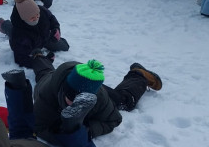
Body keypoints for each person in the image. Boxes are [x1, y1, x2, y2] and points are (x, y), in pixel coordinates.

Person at [33, 59, 162, 141]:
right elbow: (38, 127)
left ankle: (138, 75)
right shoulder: (46, 97)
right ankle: (38, 57)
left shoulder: (99, 96)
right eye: (70, 99)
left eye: (83, 103)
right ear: (64, 93)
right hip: (46, 81)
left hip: (84, 84)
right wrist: (62, 135)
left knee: (123, 102)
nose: (74, 106)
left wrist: (88, 130)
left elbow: (114, 119)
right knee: (44, 72)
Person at [0, 0, 68, 76]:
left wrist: (56, 29)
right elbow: (20, 58)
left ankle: (5, 25)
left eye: (37, 15)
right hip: (30, 44)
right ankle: (4, 24)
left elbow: (52, 19)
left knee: (65, 46)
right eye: (32, 18)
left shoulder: (41, 11)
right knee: (11, 31)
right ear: (24, 18)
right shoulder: (18, 33)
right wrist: (44, 60)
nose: (36, 18)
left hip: (44, 37)